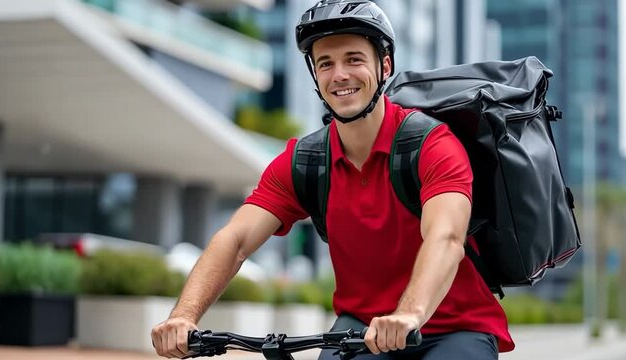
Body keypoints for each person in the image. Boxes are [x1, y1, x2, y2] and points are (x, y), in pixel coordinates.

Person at [151, 1, 513, 359]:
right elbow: (235, 240)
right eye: (326, 63)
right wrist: (184, 316)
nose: (339, 74)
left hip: (457, 328)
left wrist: (409, 314)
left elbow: (446, 237)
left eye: (354, 59)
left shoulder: (432, 145)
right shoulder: (305, 161)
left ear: (384, 65)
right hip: (361, 331)